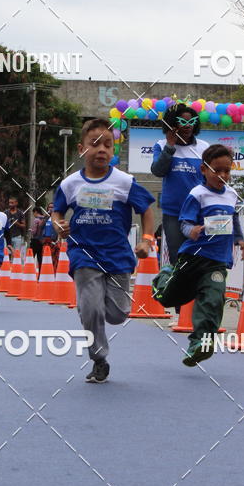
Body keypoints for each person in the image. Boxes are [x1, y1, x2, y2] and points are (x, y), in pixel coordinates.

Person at [53, 118, 155, 383]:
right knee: (90, 309)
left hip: (117, 255)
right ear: (81, 149)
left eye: (108, 145)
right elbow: (57, 212)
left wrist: (146, 240)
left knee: (118, 314)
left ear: (113, 150)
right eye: (95, 144)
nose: (102, 150)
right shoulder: (70, 184)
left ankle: (107, 316)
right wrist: (59, 225)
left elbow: (146, 209)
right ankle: (99, 359)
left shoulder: (125, 181)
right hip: (83, 254)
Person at [152, 144, 244, 367]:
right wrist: (191, 230)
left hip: (217, 261)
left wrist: (239, 238)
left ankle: (200, 343)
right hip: (193, 257)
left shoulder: (231, 195)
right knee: (170, 298)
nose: (222, 175)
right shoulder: (197, 194)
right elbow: (184, 222)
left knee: (213, 300)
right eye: (217, 170)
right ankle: (164, 277)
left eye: (227, 171)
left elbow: (233, 219)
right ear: (204, 169)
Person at [150, 102, 209, 266]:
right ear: (172, 124)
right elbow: (158, 171)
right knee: (178, 258)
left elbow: (210, 178)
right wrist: (170, 146)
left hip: (198, 212)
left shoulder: (204, 147)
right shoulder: (161, 145)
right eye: (183, 122)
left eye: (191, 122)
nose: (188, 126)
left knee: (199, 258)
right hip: (173, 214)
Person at [5, 195, 26, 261]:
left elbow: (24, 225)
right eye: (9, 203)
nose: (10, 204)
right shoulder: (5, 213)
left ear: (16, 203)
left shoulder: (20, 213)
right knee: (7, 254)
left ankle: (15, 266)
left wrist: (17, 223)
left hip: (17, 236)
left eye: (12, 203)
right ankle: (8, 266)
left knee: (16, 254)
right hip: (7, 237)